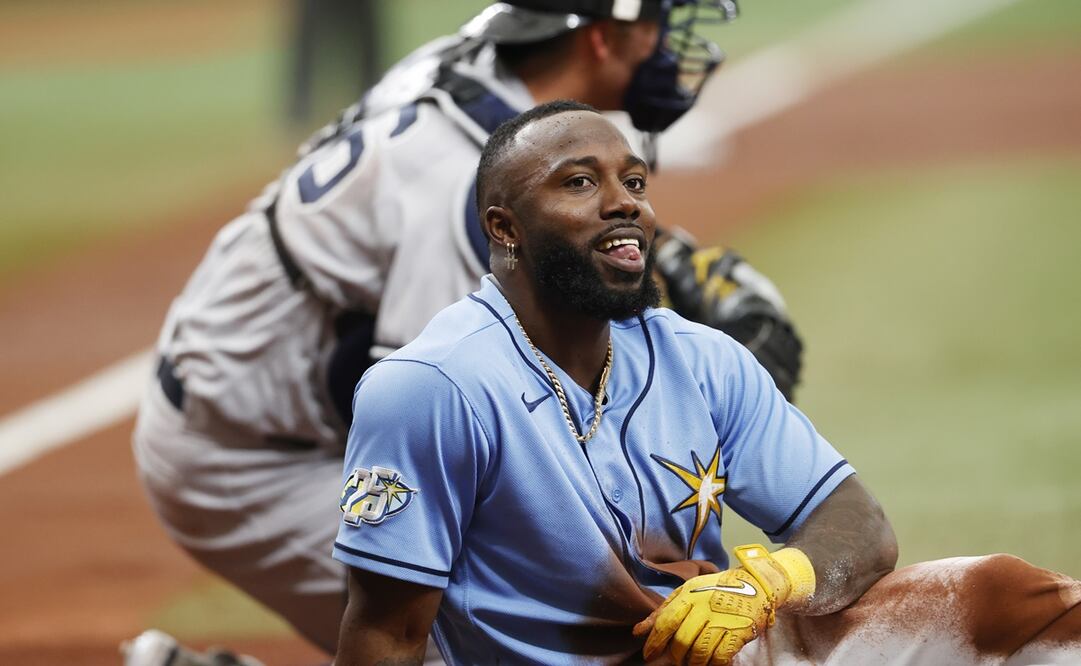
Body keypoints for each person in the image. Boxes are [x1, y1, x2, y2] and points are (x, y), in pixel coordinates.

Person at [131, 0, 803, 658]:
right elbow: (429, 403)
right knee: (523, 621)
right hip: (246, 457)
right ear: (599, 37)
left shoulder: (479, 86)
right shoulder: (462, 187)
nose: (666, 45)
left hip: (290, 397)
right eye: (655, 21)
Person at [332, 100, 899, 665]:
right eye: (579, 182)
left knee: (987, 594)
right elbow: (388, 635)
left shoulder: (701, 359)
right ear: (505, 228)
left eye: (633, 181)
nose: (624, 202)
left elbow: (860, 526)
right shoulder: (432, 388)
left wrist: (766, 583)